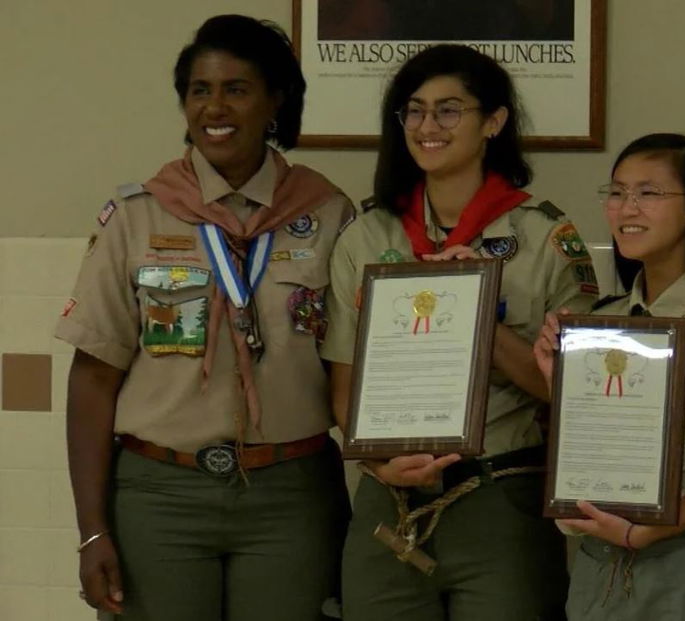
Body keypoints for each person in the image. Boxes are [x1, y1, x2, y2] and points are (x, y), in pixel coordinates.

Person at [56, 14, 354, 621]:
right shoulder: (138, 216)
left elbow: (355, 368)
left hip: (290, 495)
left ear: (275, 100)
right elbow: (92, 378)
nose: (214, 107)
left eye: (236, 88)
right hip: (159, 494)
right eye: (199, 90)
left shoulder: (328, 214)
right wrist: (91, 532)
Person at [320, 43, 599, 621]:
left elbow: (575, 397)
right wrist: (377, 465)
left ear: (493, 121)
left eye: (450, 110)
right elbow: (344, 386)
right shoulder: (366, 236)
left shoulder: (545, 237)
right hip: (387, 494)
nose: (428, 126)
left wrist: (478, 315)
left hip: (500, 492)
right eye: (414, 110)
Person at [532, 133, 685, 621]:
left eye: (649, 193)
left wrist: (646, 531)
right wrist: (555, 379)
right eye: (617, 192)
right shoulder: (603, 323)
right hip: (599, 565)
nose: (627, 208)